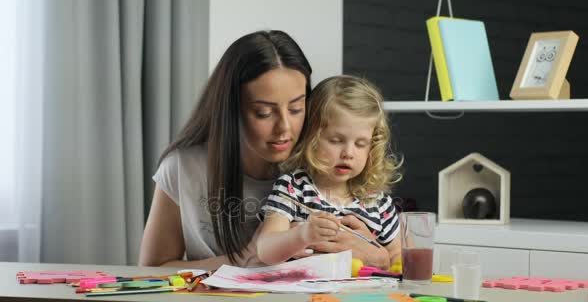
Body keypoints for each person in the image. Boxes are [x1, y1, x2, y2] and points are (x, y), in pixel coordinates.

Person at [138, 31, 389, 269]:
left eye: (295, 109)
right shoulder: (184, 168)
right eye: (264, 113)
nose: (284, 128)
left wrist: (376, 255)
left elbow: (401, 256)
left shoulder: (326, 163)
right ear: (231, 109)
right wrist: (247, 259)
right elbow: (152, 270)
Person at [256, 75, 403, 270]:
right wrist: (302, 235)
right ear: (311, 137)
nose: (348, 153)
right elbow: (265, 250)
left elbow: (398, 258)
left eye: (361, 144)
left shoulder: (378, 203)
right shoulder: (292, 188)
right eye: (335, 140)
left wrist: (388, 259)